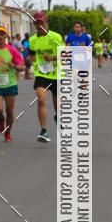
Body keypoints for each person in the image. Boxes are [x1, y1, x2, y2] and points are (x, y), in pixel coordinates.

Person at [28, 12, 65, 143]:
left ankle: (58, 117)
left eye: (41, 23)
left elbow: (66, 55)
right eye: (36, 23)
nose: (39, 26)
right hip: (41, 74)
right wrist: (26, 61)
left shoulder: (55, 37)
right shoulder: (32, 40)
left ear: (46, 23)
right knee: (41, 99)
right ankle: (44, 131)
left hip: (57, 74)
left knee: (57, 104)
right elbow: (31, 55)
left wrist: (52, 57)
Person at [0, 26, 24, 142]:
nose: (0, 37)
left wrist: (13, 66)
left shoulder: (12, 50)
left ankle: (7, 133)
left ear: (6, 36)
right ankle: (1, 118)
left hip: (10, 83)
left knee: (9, 111)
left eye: (3, 34)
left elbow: (21, 67)